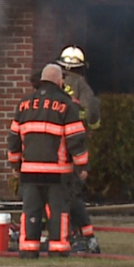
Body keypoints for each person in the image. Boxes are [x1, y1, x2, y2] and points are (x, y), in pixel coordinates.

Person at [7, 63, 88, 258]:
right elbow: (75, 139)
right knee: (58, 213)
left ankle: (27, 251)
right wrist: (82, 166)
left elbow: (14, 138)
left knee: (31, 212)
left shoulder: (24, 104)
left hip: (29, 172)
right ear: (59, 81)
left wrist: (16, 165)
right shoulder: (66, 105)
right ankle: (58, 251)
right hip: (57, 173)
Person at [56, 45, 101, 253]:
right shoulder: (81, 84)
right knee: (73, 191)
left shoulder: (54, 83)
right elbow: (92, 110)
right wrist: (90, 128)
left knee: (57, 191)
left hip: (52, 147)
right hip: (74, 143)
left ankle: (66, 232)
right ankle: (85, 235)